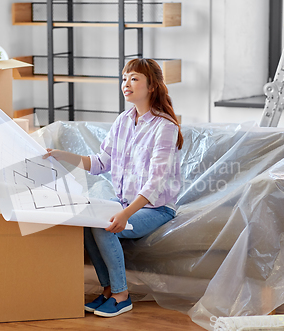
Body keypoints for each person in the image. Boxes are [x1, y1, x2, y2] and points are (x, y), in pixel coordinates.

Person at [43, 58, 183, 317]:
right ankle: (107, 290)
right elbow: (99, 163)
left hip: (158, 208)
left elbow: (156, 183)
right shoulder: (123, 121)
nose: (126, 84)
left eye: (134, 78)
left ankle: (121, 295)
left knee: (105, 226)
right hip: (125, 203)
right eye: (124, 78)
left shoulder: (165, 127)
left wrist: (125, 214)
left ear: (152, 86)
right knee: (87, 223)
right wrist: (62, 155)